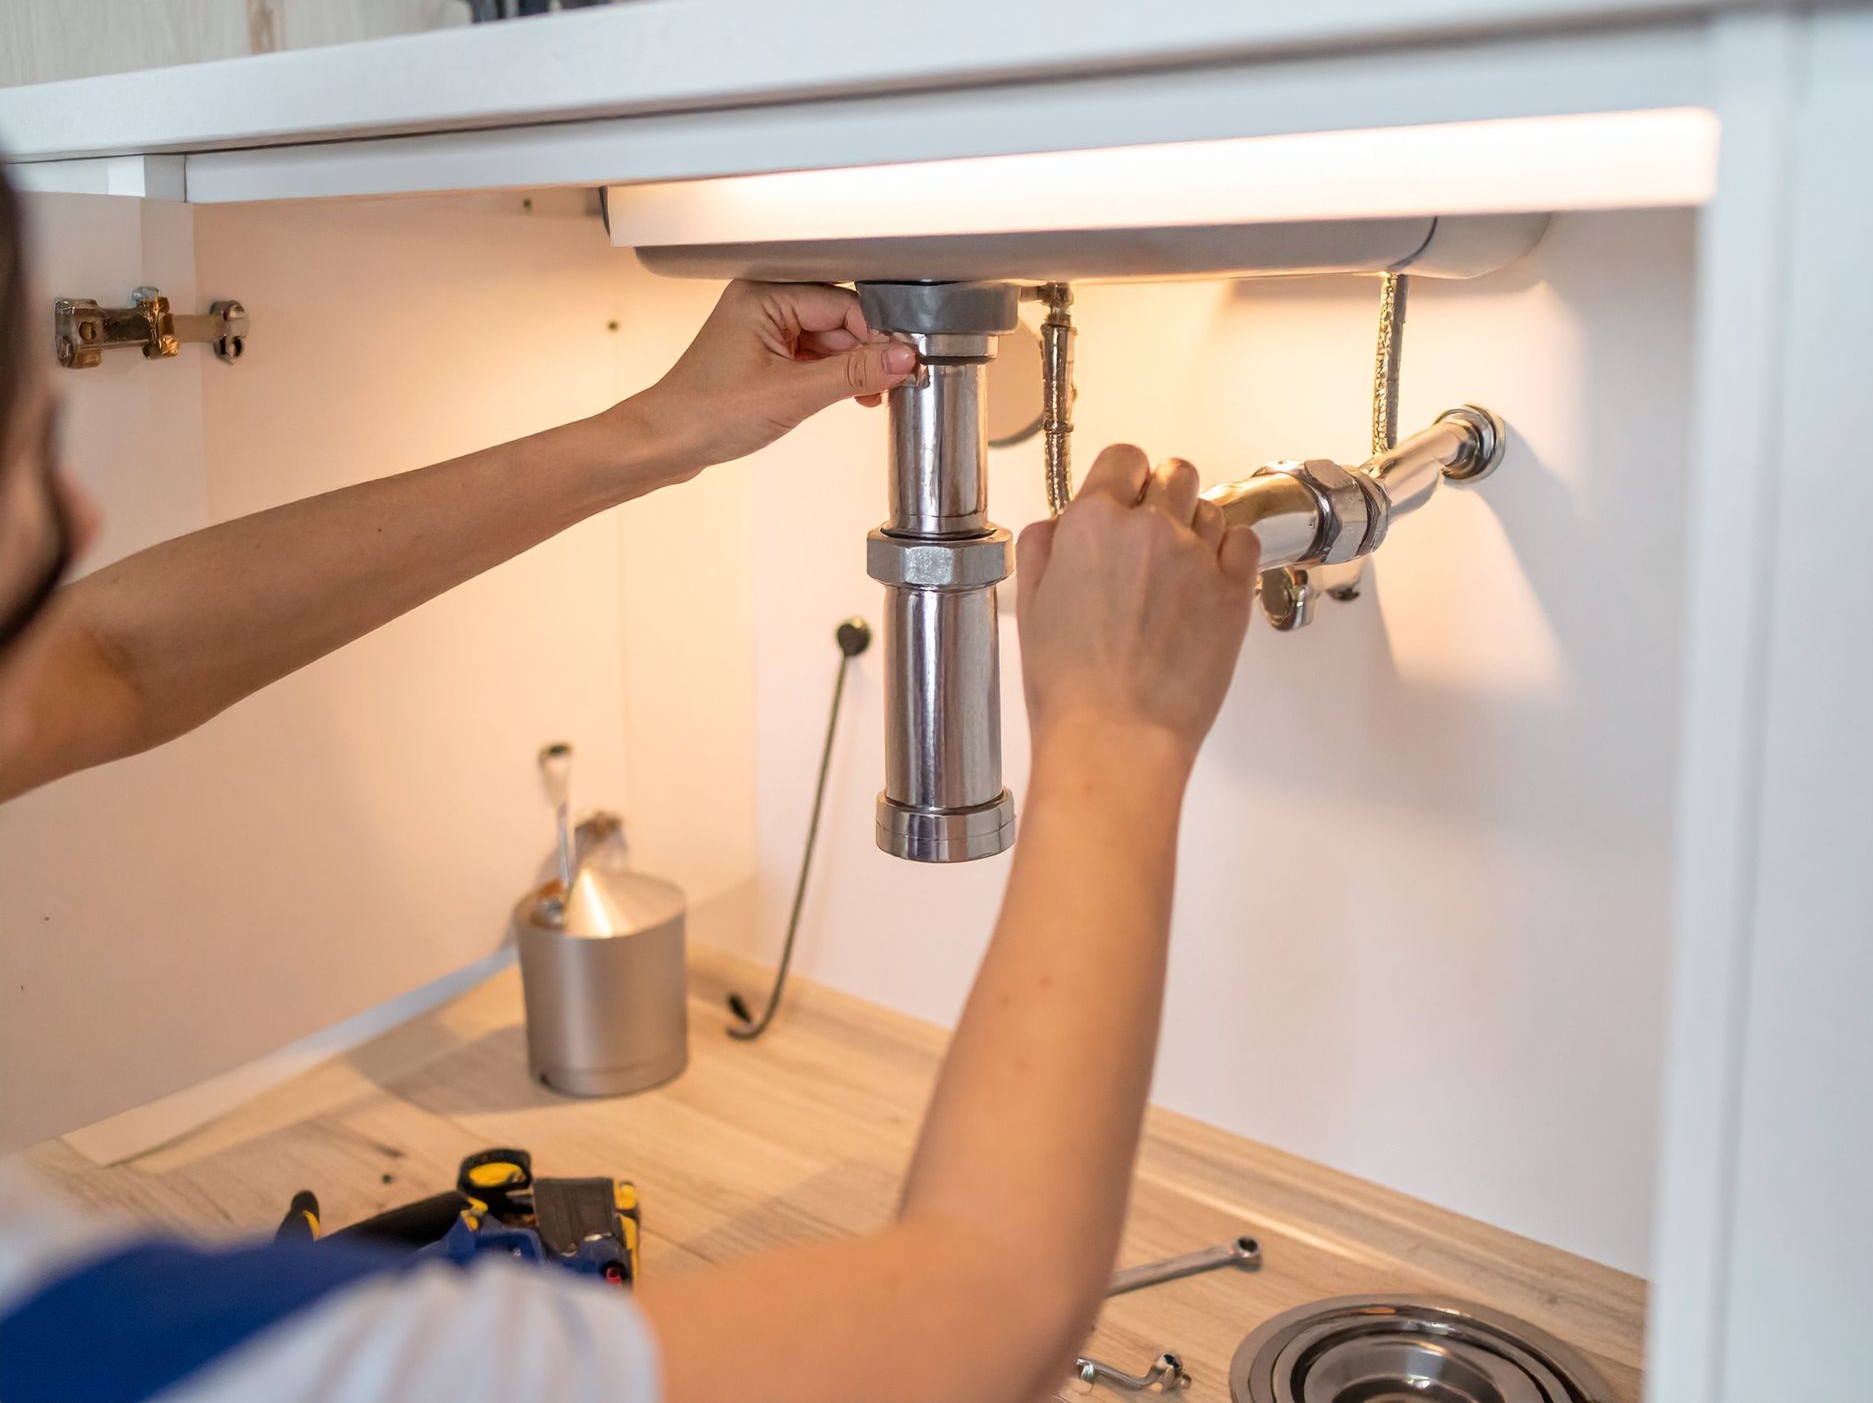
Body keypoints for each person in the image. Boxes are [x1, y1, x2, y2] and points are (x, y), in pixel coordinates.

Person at [0, 157, 1258, 1403]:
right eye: (25, 448)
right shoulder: (132, 1340)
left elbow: (116, 658)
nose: (75, 513)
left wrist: (656, 431)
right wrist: (1117, 722)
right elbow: (984, 1317)